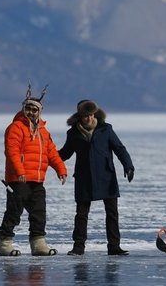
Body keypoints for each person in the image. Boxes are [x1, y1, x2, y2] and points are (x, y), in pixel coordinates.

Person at [0, 86, 68, 256]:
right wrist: (19, 171)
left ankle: (38, 243)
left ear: (39, 112)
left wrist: (61, 169)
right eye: (28, 108)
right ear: (23, 109)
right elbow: (12, 151)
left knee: (39, 212)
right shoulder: (16, 127)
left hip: (37, 179)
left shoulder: (43, 131)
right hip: (18, 179)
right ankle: (5, 243)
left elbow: (51, 153)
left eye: (34, 109)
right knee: (14, 211)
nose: (31, 112)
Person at [58, 99, 134, 256]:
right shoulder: (73, 133)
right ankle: (78, 247)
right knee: (81, 214)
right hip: (84, 178)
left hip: (106, 176)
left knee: (112, 212)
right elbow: (65, 153)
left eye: (91, 115)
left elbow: (119, 148)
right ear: (80, 116)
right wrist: (47, 157)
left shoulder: (105, 129)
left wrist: (128, 165)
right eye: (86, 116)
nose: (89, 118)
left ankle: (114, 246)